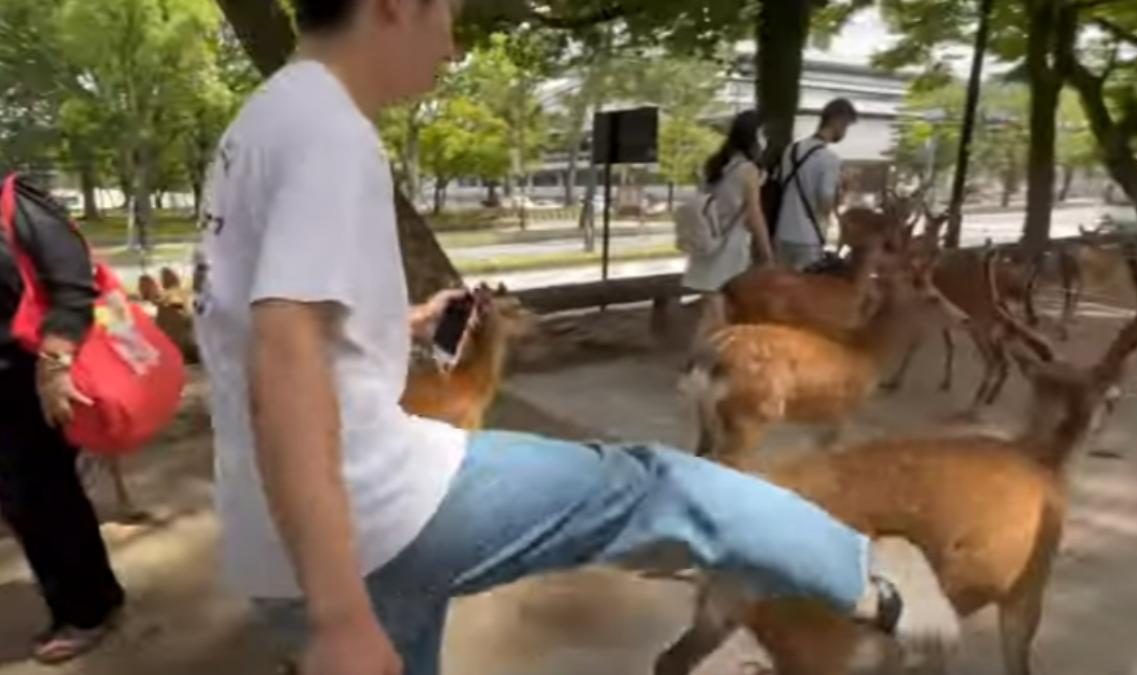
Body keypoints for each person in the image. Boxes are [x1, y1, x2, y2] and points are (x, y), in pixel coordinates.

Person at [193, 2, 959, 675]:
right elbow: (282, 363)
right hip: (378, 516)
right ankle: (868, 571)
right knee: (655, 484)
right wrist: (339, 617)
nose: (452, 46)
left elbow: (262, 323)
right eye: (449, 14)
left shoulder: (261, 121)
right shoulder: (331, 132)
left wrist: (398, 322)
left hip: (279, 541)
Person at [0, 176, 125, 664]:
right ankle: (86, 600)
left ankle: (86, 610)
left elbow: (74, 285)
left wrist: (55, 365)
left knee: (43, 499)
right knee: (23, 502)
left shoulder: (18, 204)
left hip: (30, 379)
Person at [681, 110, 774, 293]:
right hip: (730, 247)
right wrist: (767, 255)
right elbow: (755, 216)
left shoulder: (714, 164)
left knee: (710, 304)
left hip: (707, 241)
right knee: (723, 306)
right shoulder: (748, 170)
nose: (765, 140)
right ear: (753, 136)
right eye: (763, 133)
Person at [774, 98, 858, 269]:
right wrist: (845, 190)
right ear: (837, 120)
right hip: (808, 239)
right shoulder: (829, 159)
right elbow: (824, 207)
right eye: (845, 126)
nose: (844, 132)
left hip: (782, 233)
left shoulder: (791, 150)